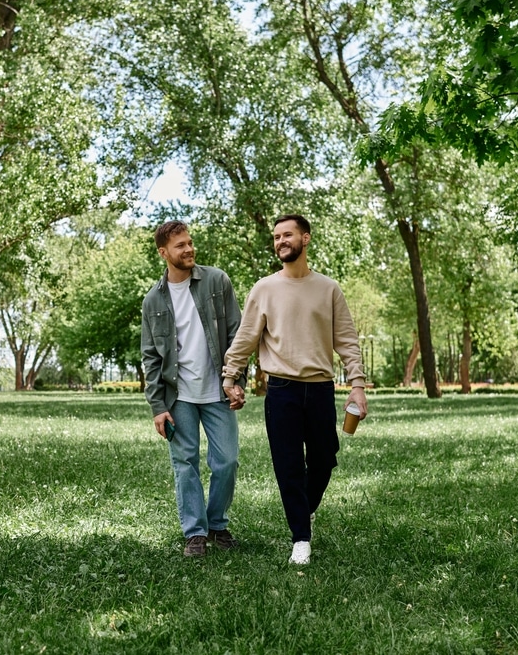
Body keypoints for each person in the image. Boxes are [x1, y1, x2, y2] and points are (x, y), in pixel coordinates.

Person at [222, 214, 367, 565]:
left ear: (306, 238)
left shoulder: (328, 288)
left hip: (319, 389)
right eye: (276, 237)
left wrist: (357, 385)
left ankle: (303, 510)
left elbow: (346, 340)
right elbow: (246, 338)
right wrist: (230, 376)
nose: (280, 241)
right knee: (288, 466)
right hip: (282, 391)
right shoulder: (264, 289)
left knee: (323, 459)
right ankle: (300, 537)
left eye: (287, 235)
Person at [141, 220, 245, 558]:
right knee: (184, 463)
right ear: (163, 253)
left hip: (218, 390)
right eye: (179, 246)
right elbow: (151, 358)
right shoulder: (153, 300)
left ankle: (217, 524)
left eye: (189, 242)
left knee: (226, 461)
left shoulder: (216, 281)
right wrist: (158, 406)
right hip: (177, 395)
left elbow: (237, 335)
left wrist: (237, 381)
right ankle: (195, 533)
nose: (188, 249)